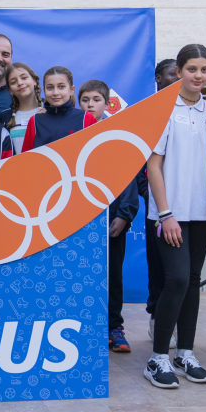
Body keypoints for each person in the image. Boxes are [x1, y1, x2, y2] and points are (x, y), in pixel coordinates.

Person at [143, 45, 206, 389]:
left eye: (205, 70)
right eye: (192, 68)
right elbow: (153, 166)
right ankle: (158, 357)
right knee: (175, 280)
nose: (199, 75)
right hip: (168, 214)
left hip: (203, 211)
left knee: (191, 281)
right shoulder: (161, 109)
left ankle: (185, 353)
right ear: (178, 70)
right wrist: (165, 214)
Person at [78, 80, 139, 355]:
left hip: (113, 219)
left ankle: (114, 326)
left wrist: (124, 215)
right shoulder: (74, 135)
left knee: (113, 273)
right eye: (85, 100)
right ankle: (91, 324)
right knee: (85, 275)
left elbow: (128, 178)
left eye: (96, 99)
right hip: (80, 219)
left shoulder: (118, 134)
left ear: (107, 103)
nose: (90, 104)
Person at [142, 62, 180, 346]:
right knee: (159, 269)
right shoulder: (150, 110)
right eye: (173, 73)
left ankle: (179, 323)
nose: (179, 78)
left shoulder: (199, 112)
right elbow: (140, 160)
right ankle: (158, 318)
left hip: (190, 208)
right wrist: (151, 193)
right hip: (158, 208)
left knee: (181, 275)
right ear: (158, 79)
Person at [20, 66, 97, 152]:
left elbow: (97, 154)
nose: (55, 93)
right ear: (44, 90)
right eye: (50, 87)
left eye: (61, 87)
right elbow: (26, 159)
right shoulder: (35, 121)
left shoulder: (86, 118)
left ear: (72, 90)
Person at [0, 63, 44, 155]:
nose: (20, 83)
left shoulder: (49, 109)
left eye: (24, 78)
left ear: (34, 80)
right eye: (13, 82)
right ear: (10, 90)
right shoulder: (5, 117)